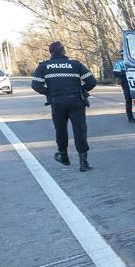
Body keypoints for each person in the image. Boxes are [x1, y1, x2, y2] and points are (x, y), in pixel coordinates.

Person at [32, 41, 97, 171]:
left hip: (57, 102)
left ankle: (64, 156)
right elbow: (92, 82)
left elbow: (36, 85)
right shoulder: (75, 65)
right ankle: (83, 163)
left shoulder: (44, 66)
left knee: (60, 130)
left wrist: (50, 92)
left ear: (50, 52)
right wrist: (81, 90)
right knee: (80, 130)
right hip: (76, 101)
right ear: (64, 51)